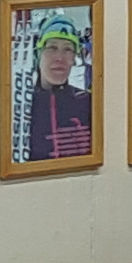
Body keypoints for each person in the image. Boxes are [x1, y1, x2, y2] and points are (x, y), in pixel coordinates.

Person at [21, 15, 93, 163]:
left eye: (68, 49)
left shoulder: (88, 103)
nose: (59, 58)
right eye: (52, 48)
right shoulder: (22, 107)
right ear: (38, 53)